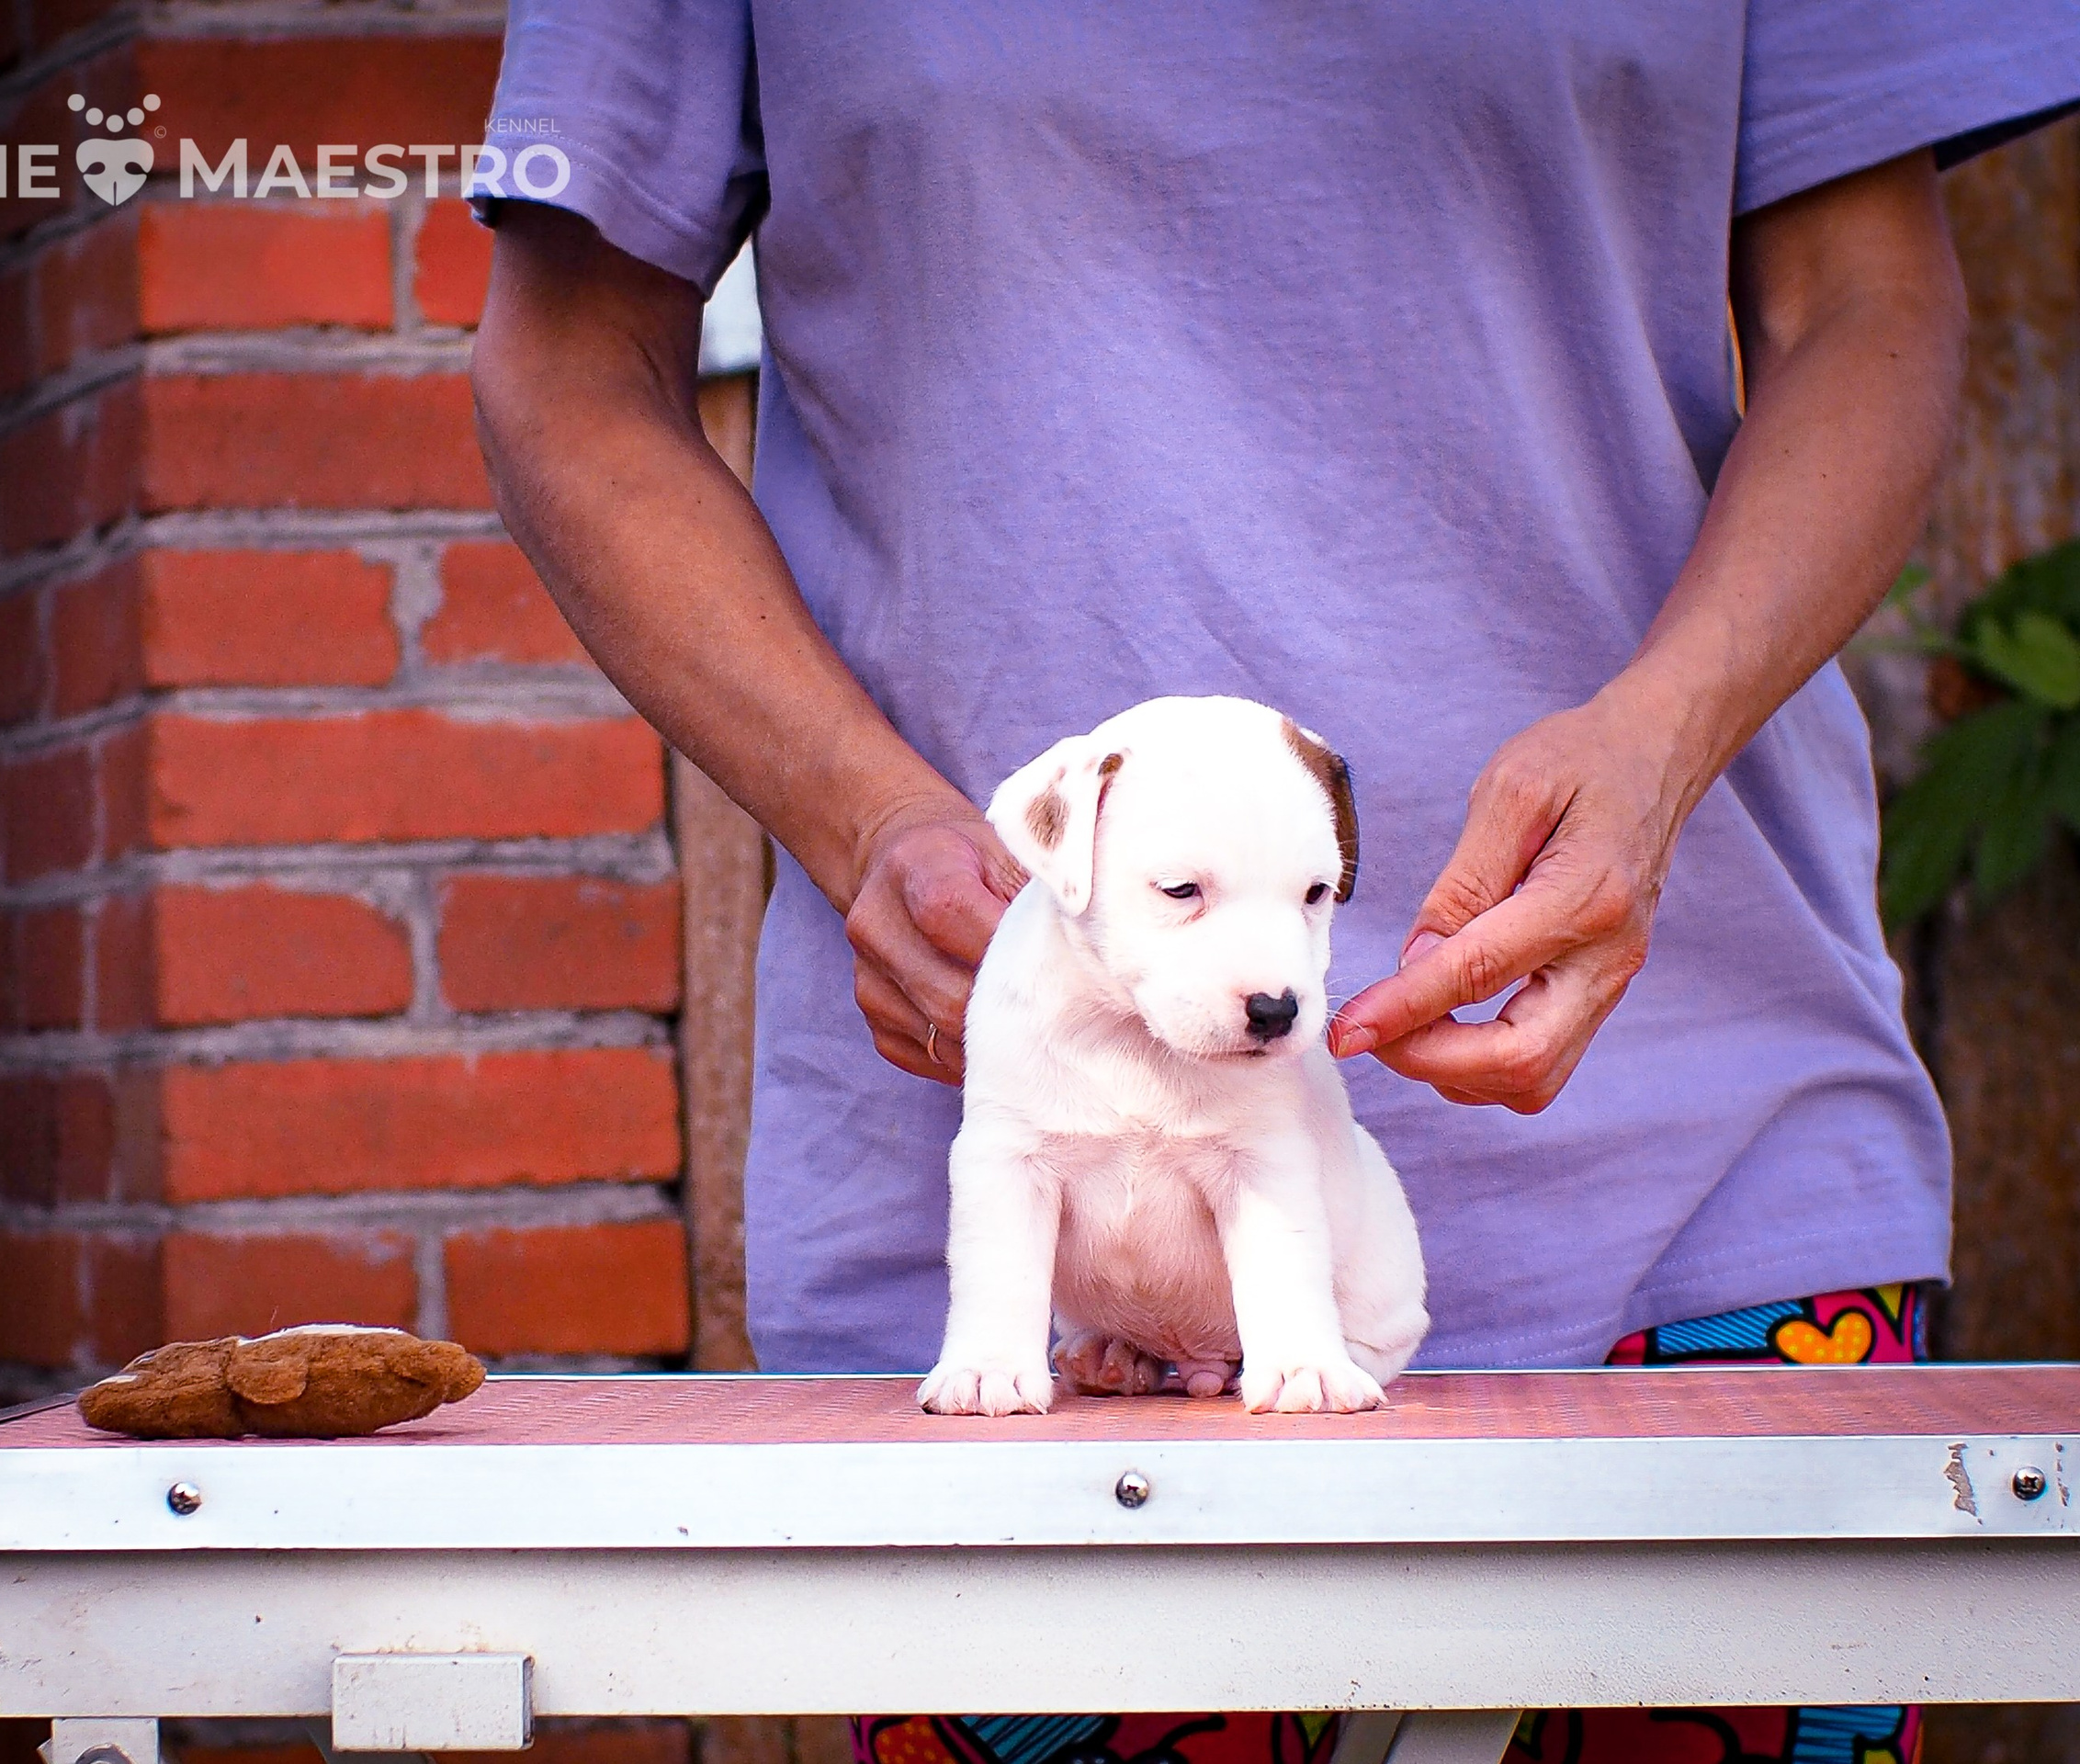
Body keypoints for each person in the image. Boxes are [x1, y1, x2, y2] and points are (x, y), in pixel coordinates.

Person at [468, 8, 2080, 1761]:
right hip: (1061, 1283)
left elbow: (1870, 306)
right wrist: (868, 820)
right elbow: (569, 366)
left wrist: (1665, 741)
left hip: (1693, 1151)